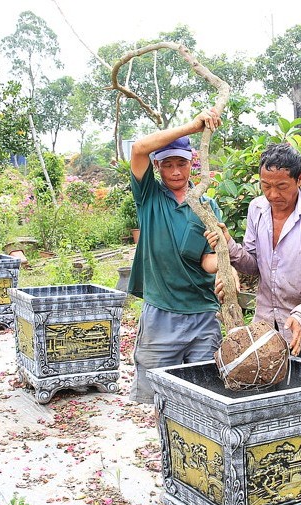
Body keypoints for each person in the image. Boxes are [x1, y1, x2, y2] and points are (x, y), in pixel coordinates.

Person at [204, 143, 301, 365]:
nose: (273, 194)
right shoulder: (257, 209)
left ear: (300, 179)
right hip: (265, 331)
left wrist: (300, 315)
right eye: (266, 186)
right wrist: (228, 243)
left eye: (282, 186)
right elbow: (253, 265)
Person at [126, 108, 223, 404]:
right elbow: (139, 148)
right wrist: (193, 127)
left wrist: (225, 257)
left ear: (192, 164)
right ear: (159, 168)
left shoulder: (206, 206)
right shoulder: (149, 197)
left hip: (202, 314)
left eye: (181, 163)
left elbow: (208, 262)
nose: (176, 172)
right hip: (161, 313)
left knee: (205, 392)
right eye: (168, 165)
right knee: (159, 393)